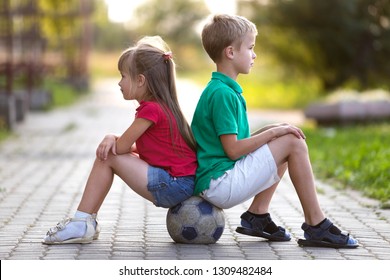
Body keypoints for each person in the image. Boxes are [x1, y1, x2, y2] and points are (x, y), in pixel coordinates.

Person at [191, 14, 358, 248]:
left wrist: (273, 129)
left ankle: (258, 215)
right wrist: (272, 135)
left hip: (219, 178)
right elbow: (233, 150)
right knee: (293, 143)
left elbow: (237, 142)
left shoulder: (222, 89)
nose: (254, 54)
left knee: (284, 138)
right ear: (230, 52)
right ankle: (316, 224)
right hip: (220, 183)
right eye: (250, 48)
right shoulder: (222, 94)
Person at [43, 36, 197, 244]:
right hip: (181, 183)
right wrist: (114, 139)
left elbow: (121, 148)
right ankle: (84, 221)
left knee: (107, 156)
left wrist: (111, 137)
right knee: (109, 154)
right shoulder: (162, 106)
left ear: (141, 80)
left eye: (123, 76)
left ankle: (82, 222)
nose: (119, 82)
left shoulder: (150, 109)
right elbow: (138, 148)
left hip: (174, 185)